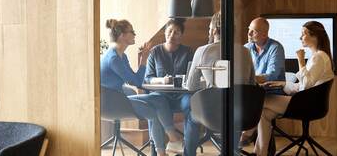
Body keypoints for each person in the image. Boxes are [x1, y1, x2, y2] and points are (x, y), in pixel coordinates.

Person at [100, 19, 181, 156]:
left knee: (159, 99)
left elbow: (134, 79)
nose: (135, 34)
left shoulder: (122, 56)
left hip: (120, 97)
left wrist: (142, 61)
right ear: (122, 35)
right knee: (153, 112)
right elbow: (137, 82)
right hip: (112, 104)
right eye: (132, 31)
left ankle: (172, 139)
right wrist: (144, 59)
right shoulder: (113, 58)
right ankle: (163, 151)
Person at [253, 21, 335, 156]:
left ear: (315, 36)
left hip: (308, 105)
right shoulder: (319, 56)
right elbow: (305, 86)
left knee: (260, 101)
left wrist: (301, 60)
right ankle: (260, 152)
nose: (300, 37)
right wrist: (283, 84)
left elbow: (306, 85)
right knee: (265, 113)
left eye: (303, 34)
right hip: (308, 102)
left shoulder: (319, 57)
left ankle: (249, 139)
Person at [144, 19, 199, 156]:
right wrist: (162, 80)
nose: (172, 35)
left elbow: (193, 76)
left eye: (177, 32)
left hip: (182, 95)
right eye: (169, 31)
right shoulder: (155, 52)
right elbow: (148, 78)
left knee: (193, 107)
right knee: (155, 104)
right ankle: (157, 151)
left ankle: (189, 152)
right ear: (164, 33)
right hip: (162, 96)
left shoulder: (188, 52)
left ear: (181, 36)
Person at [185, 12, 255, 91]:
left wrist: (209, 84)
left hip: (213, 102)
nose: (209, 33)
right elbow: (252, 84)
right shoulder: (246, 51)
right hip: (240, 102)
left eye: (209, 29)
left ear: (214, 31)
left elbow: (191, 86)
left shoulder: (202, 51)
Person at [244, 17, 286, 84]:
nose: (249, 34)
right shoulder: (246, 47)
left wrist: (249, 79)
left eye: (254, 31)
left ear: (264, 34)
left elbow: (272, 76)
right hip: (253, 88)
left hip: (271, 91)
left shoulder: (276, 48)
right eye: (249, 29)